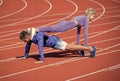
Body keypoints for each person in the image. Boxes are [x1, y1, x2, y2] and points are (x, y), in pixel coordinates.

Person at [27, 8, 96, 56]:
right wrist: (87, 46)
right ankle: (36, 29)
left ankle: (36, 29)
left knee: (52, 29)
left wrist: (78, 45)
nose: (94, 18)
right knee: (52, 29)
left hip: (65, 23)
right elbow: (85, 34)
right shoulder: (86, 19)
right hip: (67, 25)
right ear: (90, 15)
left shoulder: (82, 17)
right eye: (93, 16)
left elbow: (78, 33)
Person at [19, 30, 96, 63]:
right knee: (69, 46)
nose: (24, 41)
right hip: (54, 41)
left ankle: (91, 49)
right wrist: (25, 56)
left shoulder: (37, 36)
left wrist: (42, 59)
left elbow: (40, 48)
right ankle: (81, 47)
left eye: (24, 40)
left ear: (27, 37)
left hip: (55, 42)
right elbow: (27, 47)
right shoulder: (31, 38)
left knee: (70, 48)